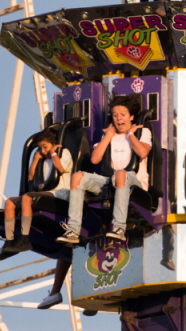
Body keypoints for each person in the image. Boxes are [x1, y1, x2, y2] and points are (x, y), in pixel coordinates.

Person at [58, 96, 151, 244]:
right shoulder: (109, 135)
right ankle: (73, 230)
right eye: (115, 115)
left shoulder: (142, 132)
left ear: (131, 116)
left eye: (123, 115)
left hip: (134, 181)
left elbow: (143, 153)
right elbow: (95, 159)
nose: (118, 118)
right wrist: (108, 135)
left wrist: (131, 135)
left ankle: (119, 228)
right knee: (77, 177)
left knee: (121, 174)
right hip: (111, 180)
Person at [0, 126, 72, 262]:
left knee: (27, 198)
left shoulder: (63, 153)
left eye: (45, 147)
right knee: (9, 202)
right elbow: (30, 177)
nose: (43, 151)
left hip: (60, 193)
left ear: (53, 144)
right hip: (45, 192)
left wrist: (53, 153)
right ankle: (10, 241)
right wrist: (35, 159)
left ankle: (24, 238)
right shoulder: (42, 158)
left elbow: (61, 168)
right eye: (40, 148)